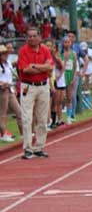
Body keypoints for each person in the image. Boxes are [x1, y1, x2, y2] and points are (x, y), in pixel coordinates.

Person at [17, 26, 54, 159]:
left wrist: (35, 66)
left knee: (42, 118)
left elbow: (50, 67)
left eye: (34, 36)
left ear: (39, 37)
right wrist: (43, 68)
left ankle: (39, 147)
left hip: (43, 86)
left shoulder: (44, 49)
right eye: (30, 36)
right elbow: (26, 70)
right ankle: (27, 148)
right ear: (27, 38)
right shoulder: (23, 51)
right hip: (29, 86)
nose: (32, 38)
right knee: (27, 118)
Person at [0, 45, 22, 143]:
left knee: (19, 111)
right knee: (3, 113)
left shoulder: (8, 63)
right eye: (3, 53)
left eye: (6, 53)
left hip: (10, 90)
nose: (6, 55)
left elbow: (12, 72)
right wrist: (2, 83)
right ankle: (3, 134)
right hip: (2, 90)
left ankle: (23, 134)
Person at [61, 35, 80, 124]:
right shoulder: (60, 54)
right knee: (61, 97)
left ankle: (69, 116)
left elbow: (75, 66)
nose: (67, 44)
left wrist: (73, 78)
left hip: (70, 76)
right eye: (65, 42)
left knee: (69, 97)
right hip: (62, 77)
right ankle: (59, 117)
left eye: (68, 42)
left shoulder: (74, 54)